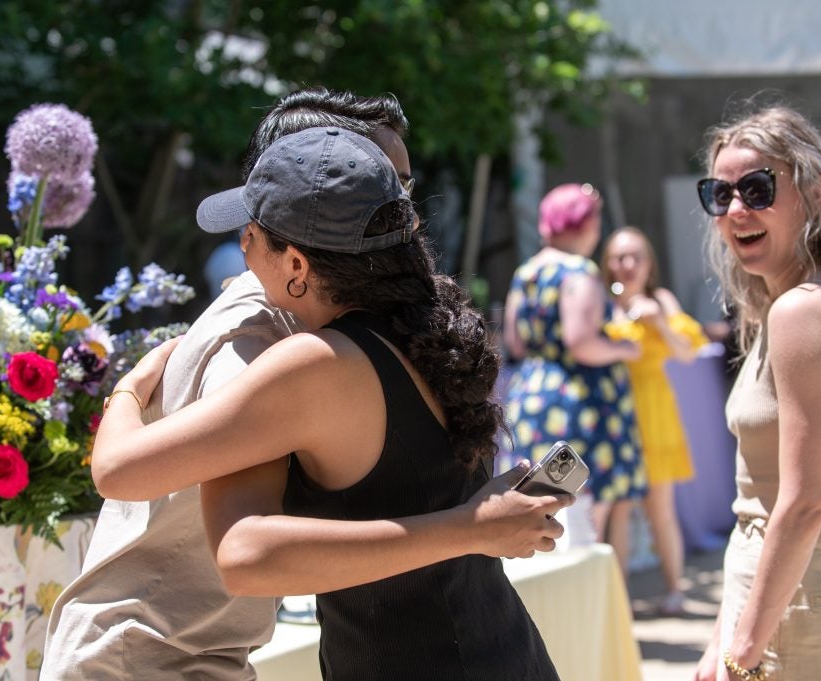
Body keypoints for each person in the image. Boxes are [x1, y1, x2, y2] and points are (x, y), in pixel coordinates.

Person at [42, 90, 568, 681]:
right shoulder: (434, 331)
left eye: (254, 235)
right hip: (503, 651)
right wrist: (470, 529)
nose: (242, 247)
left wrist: (129, 389)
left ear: (295, 265)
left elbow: (130, 478)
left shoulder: (308, 363)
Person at [693, 105, 821, 681]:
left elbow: (802, 504)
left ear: (816, 195)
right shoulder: (797, 307)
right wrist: (724, 631)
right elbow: (758, 506)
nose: (736, 210)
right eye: (720, 195)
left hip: (789, 617)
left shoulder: (804, 311)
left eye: (757, 188)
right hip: (775, 604)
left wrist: (740, 648)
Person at [501, 183, 646, 572]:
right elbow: (582, 342)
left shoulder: (527, 271)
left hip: (531, 396)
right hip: (578, 404)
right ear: (583, 223)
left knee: (545, 504)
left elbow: (514, 341)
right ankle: (597, 607)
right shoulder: (578, 271)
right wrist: (625, 348)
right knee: (583, 513)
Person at [601, 225, 708, 615]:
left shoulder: (661, 299)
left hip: (655, 411)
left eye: (636, 256)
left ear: (649, 263)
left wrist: (659, 321)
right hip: (614, 414)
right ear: (608, 264)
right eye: (619, 257)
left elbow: (688, 353)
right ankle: (618, 599)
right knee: (618, 510)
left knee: (660, 509)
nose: (627, 264)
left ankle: (674, 588)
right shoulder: (599, 301)